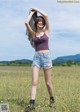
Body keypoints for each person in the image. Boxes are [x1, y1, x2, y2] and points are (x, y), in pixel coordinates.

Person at [25, 8, 54, 112]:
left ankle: (52, 99)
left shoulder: (47, 31)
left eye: (41, 22)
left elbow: (46, 15)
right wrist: (32, 13)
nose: (40, 23)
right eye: (38, 22)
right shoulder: (33, 34)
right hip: (37, 58)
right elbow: (26, 22)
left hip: (46, 57)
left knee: (48, 83)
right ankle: (31, 104)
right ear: (36, 24)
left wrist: (36, 9)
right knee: (34, 81)